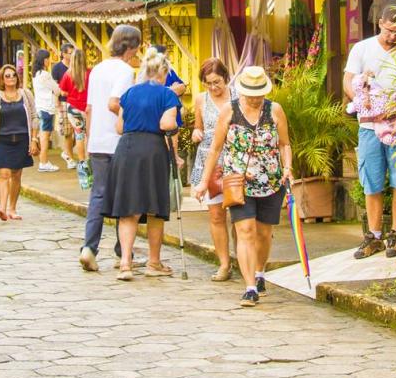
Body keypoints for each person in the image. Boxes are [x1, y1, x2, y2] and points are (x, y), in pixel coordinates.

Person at [194, 66, 292, 307]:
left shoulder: (275, 110)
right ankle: (250, 287)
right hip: (238, 182)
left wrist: (287, 167)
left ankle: (260, 273)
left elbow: (284, 145)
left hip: (271, 181)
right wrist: (204, 182)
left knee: (263, 233)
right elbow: (215, 148)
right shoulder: (230, 111)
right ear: (242, 91)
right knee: (246, 231)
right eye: (251, 93)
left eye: (259, 93)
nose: (255, 98)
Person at [344, 2, 396, 260]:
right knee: (371, 180)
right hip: (369, 124)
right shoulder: (362, 48)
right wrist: (364, 98)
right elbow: (348, 80)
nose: (393, 36)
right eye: (389, 30)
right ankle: (374, 236)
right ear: (380, 23)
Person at [103, 49, 182, 281]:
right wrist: (175, 128)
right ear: (163, 72)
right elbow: (166, 123)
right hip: (153, 150)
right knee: (155, 208)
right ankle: (153, 262)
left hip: (127, 149)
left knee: (129, 208)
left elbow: (119, 127)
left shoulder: (129, 94)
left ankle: (125, 263)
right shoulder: (167, 95)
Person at [79, 24, 141, 272]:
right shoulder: (125, 71)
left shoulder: (97, 70)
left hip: (97, 141)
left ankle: (89, 247)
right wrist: (133, 115)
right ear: (131, 47)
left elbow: (90, 107)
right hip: (118, 140)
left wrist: (89, 138)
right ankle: (121, 251)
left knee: (99, 195)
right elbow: (113, 103)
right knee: (124, 196)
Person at [190, 58, 234, 282]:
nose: (213, 88)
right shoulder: (201, 99)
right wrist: (196, 133)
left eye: (217, 82)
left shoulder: (238, 96)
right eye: (208, 83)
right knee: (216, 215)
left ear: (226, 78)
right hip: (209, 161)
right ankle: (224, 263)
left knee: (239, 215)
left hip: (235, 162)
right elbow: (198, 127)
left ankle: (244, 258)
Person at [0, 64, 39, 221]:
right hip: (2, 139)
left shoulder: (25, 94)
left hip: (22, 139)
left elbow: (34, 116)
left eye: (13, 75)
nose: (11, 78)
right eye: (7, 76)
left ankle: (12, 208)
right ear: (2, 78)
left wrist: (34, 139)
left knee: (16, 174)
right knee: (4, 174)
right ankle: (1, 208)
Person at [58, 47, 90, 166]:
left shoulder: (68, 74)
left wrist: (72, 92)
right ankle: (89, 160)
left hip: (73, 108)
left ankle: (82, 163)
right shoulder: (90, 73)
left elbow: (62, 92)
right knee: (88, 135)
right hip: (87, 109)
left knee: (79, 135)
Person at [31, 49, 61, 172]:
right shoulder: (45, 75)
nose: (49, 60)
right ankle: (43, 162)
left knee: (43, 135)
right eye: (48, 58)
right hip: (47, 108)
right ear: (44, 60)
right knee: (45, 135)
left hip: (40, 106)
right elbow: (57, 90)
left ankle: (43, 161)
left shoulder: (36, 74)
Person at [52, 43, 77, 166]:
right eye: (69, 53)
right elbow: (55, 87)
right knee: (68, 132)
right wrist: (57, 103)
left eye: (73, 53)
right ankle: (70, 158)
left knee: (78, 132)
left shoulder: (76, 66)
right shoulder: (57, 68)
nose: (72, 55)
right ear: (63, 54)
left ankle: (67, 152)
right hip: (63, 101)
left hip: (76, 101)